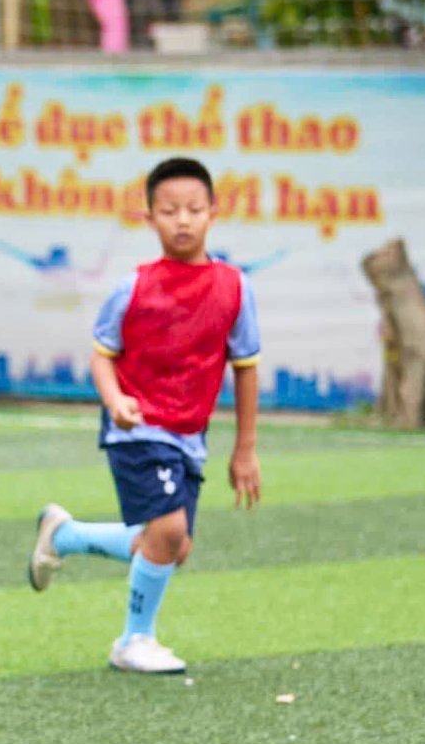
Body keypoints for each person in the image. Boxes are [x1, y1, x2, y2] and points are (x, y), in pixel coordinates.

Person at [28, 156, 262, 674]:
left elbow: (245, 368)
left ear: (213, 214)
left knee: (170, 547)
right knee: (169, 532)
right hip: (137, 429)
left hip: (189, 435)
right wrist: (115, 401)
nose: (182, 220)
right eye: (169, 210)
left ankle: (62, 536)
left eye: (193, 209)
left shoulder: (235, 288)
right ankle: (134, 641)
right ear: (149, 217)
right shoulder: (132, 287)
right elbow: (101, 355)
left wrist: (244, 449)